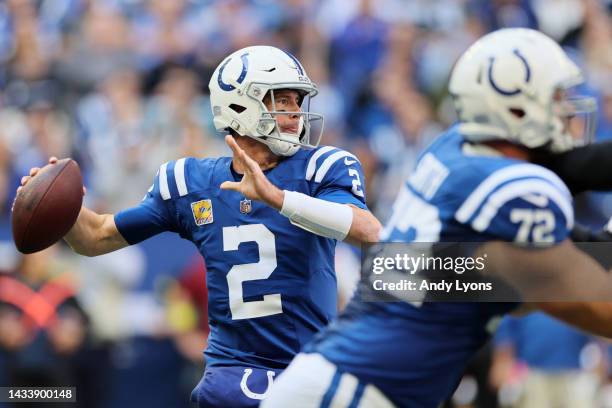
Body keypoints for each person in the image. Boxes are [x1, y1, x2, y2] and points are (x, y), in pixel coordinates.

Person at [263, 28, 612, 408]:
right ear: (515, 109)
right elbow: (599, 305)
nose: (566, 109)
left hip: (337, 379)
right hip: (356, 392)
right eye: (556, 96)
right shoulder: (514, 192)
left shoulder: (451, 151)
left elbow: (571, 175)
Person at [17, 46, 381, 408]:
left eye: (297, 101)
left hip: (308, 370)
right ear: (240, 105)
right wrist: (63, 208)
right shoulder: (190, 181)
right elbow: (95, 237)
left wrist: (277, 198)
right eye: (281, 100)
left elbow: (368, 231)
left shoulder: (321, 167)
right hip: (236, 373)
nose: (295, 113)